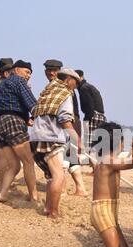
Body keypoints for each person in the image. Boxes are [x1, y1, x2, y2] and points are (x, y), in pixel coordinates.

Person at [31, 68, 84, 218]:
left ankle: (48, 208)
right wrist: (77, 140)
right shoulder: (65, 94)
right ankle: (53, 211)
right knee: (58, 175)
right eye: (75, 82)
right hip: (51, 137)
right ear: (68, 79)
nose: (76, 86)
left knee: (50, 175)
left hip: (35, 137)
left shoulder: (48, 91)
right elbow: (65, 120)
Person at [0, 60, 38, 203]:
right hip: (13, 122)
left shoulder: (0, 85)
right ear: (17, 70)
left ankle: (3, 194)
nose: (29, 75)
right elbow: (32, 104)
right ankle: (34, 196)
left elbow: (8, 104)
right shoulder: (19, 81)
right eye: (27, 72)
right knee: (28, 161)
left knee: (14, 165)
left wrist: (26, 119)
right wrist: (41, 116)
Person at [43, 60, 87, 196]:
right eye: (48, 70)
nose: (51, 73)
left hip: (67, 124)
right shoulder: (60, 86)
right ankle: (80, 188)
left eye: (54, 70)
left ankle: (62, 189)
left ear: (60, 72)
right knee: (71, 156)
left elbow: (65, 114)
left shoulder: (61, 87)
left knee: (62, 157)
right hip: (68, 124)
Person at [75, 70, 107, 150]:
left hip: (93, 115)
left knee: (90, 143)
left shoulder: (83, 88)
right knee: (98, 142)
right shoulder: (87, 86)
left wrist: (87, 118)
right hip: (99, 115)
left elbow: (89, 105)